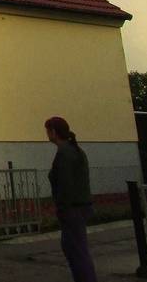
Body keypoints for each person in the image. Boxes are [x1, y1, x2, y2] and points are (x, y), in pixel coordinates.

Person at [46, 115, 97, 282]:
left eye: (48, 130)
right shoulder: (75, 150)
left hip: (72, 208)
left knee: (76, 251)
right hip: (80, 206)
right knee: (76, 249)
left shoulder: (65, 153)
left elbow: (65, 182)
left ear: (53, 132)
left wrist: (62, 207)